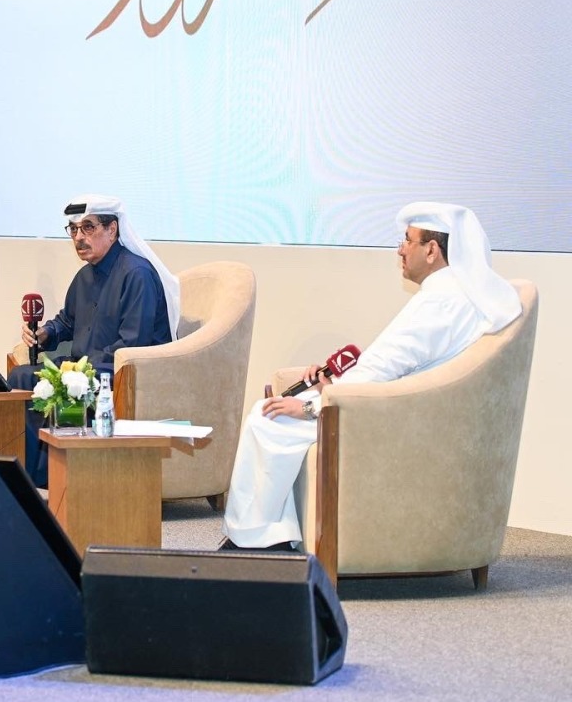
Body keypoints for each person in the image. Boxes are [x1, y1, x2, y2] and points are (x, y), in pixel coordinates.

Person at [221, 202, 522, 550]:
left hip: (393, 418)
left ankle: (258, 543)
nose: (400, 250)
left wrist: (313, 406)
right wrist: (329, 385)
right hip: (403, 408)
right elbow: (395, 366)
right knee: (276, 411)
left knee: (268, 418)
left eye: (407, 240)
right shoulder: (455, 292)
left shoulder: (441, 300)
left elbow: (385, 368)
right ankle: (272, 535)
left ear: (432, 249)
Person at [11, 194, 180, 485]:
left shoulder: (136, 274)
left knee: (63, 381)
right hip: (87, 365)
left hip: (121, 371)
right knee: (21, 377)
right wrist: (45, 332)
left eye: (88, 228)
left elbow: (133, 343)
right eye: (73, 230)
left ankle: (68, 475)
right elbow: (67, 321)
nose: (78, 237)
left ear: (112, 229)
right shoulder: (84, 277)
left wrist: (77, 369)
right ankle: (34, 476)